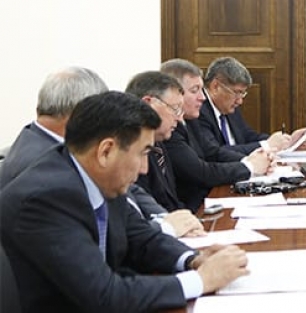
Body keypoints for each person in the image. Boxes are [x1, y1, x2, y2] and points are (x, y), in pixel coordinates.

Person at [0, 91, 249, 312]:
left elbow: (142, 239)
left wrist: (194, 259)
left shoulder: (98, 177)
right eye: (142, 153)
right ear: (106, 151)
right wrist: (202, 280)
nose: (144, 169)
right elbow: (104, 296)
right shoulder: (47, 198)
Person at [0, 67, 200, 238]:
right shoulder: (38, 166)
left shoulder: (53, 143)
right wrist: (164, 228)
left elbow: (130, 192)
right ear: (82, 113)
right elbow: (95, 237)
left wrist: (164, 218)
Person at [161, 58, 272, 211]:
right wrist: (250, 167)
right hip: (192, 208)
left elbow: (213, 153)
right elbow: (201, 173)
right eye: (194, 90)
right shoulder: (170, 131)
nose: (202, 97)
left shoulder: (190, 119)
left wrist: (253, 160)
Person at [197, 56, 306, 155]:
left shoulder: (228, 107)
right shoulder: (198, 110)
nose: (240, 101)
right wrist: (267, 145)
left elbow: (248, 136)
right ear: (215, 86)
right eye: (236, 92)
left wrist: (287, 141)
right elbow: (216, 153)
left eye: (242, 94)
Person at [127, 71, 188, 211]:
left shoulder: (159, 143)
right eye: (175, 109)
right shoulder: (129, 149)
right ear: (148, 104)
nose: (179, 118)